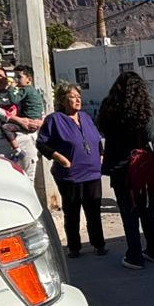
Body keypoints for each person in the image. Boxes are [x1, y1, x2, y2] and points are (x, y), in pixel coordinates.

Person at [97, 72, 154, 269]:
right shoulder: (143, 109)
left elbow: (102, 129)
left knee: (129, 214)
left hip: (119, 170)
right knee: (147, 210)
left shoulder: (108, 107)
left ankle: (134, 256)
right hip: (140, 169)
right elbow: (149, 135)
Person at [36, 83, 106, 258]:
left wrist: (101, 155)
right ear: (62, 100)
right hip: (71, 175)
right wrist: (60, 158)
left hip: (92, 172)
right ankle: (74, 247)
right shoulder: (55, 120)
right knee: (72, 211)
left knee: (94, 210)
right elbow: (42, 143)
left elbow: (97, 139)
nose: (77, 99)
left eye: (78, 96)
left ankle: (99, 244)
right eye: (72, 97)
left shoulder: (85, 117)